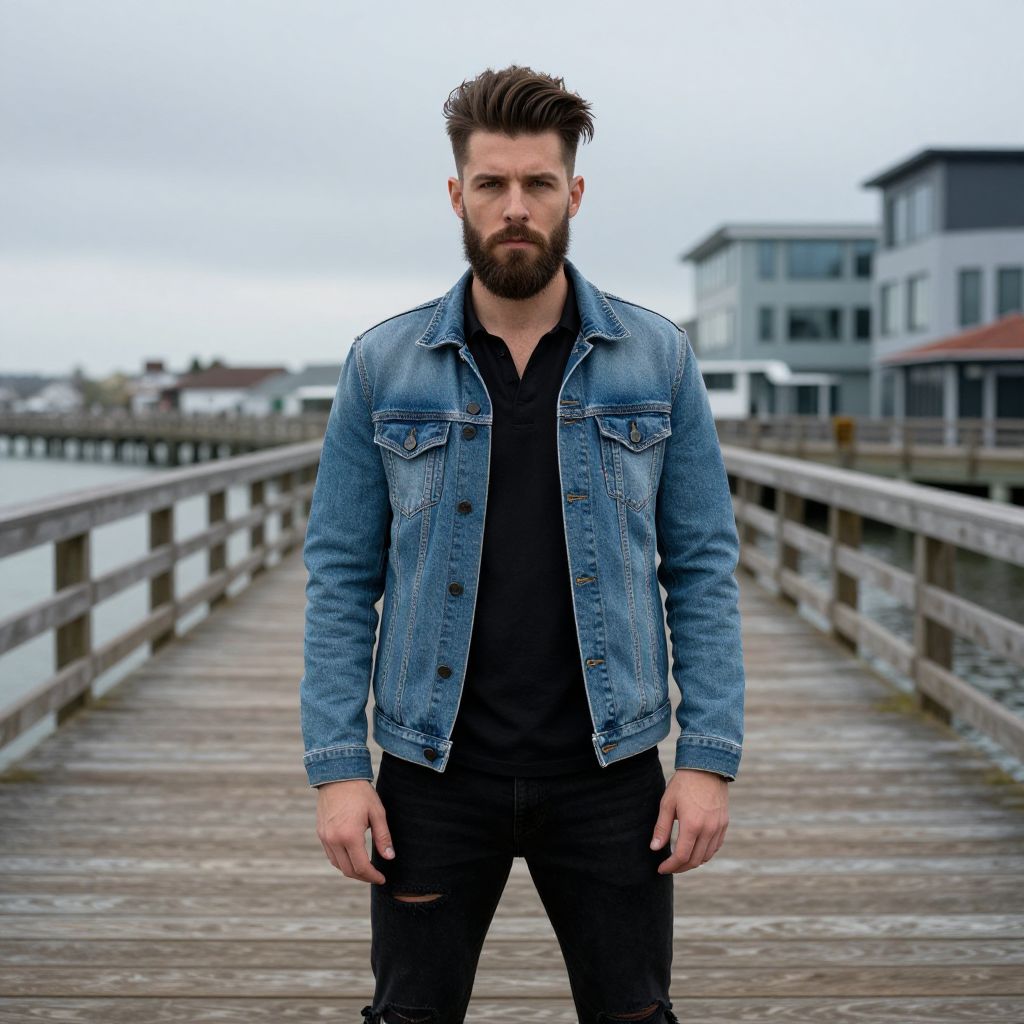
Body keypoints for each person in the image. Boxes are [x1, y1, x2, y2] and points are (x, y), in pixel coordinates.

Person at [299, 65, 745, 1024]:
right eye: (492, 184)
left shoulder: (657, 357)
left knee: (634, 1014)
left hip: (610, 767)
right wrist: (339, 770)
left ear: (573, 194)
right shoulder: (383, 364)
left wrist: (707, 757)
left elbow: (704, 563)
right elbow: (340, 575)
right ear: (456, 195)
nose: (515, 207)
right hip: (430, 768)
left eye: (538, 184)